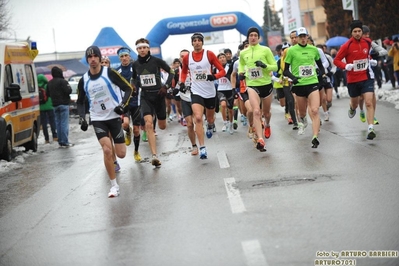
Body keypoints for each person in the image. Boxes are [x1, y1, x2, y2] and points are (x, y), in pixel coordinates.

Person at [77, 45, 133, 198]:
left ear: (100, 58)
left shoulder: (109, 73)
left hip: (114, 116)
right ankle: (114, 186)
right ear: (87, 60)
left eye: (95, 56)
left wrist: (122, 106)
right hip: (97, 119)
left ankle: (127, 132)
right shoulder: (84, 80)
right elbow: (80, 101)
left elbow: (128, 88)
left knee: (121, 154)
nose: (93, 59)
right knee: (107, 150)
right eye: (90, 57)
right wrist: (82, 117)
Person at [179, 32, 226, 159]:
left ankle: (210, 125)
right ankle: (202, 147)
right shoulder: (187, 58)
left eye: (199, 40)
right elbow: (183, 72)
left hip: (210, 92)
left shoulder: (209, 54)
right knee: (198, 118)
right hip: (196, 91)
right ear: (192, 43)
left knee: (210, 119)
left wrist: (214, 76)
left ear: (202, 42)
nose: (197, 42)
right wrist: (182, 83)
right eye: (194, 40)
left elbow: (223, 70)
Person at [131, 38, 175, 166]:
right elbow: (133, 78)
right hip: (145, 97)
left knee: (162, 126)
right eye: (139, 48)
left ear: (148, 48)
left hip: (159, 95)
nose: (142, 50)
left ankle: (159, 117)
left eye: (144, 47)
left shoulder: (157, 61)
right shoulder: (135, 64)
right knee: (148, 124)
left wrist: (165, 86)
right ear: (137, 50)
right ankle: (154, 156)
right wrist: (133, 85)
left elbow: (171, 72)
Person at [333, 20, 377, 140]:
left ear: (362, 32)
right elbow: (336, 60)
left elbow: (368, 54)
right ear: (351, 33)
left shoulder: (367, 42)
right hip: (352, 79)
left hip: (366, 77)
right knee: (355, 103)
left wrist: (371, 60)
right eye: (355, 31)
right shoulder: (346, 46)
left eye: (359, 31)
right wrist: (345, 66)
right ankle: (352, 108)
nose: (357, 33)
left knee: (368, 102)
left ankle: (371, 128)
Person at [283, 27, 326, 148]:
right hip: (299, 85)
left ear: (307, 37)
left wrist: (321, 75)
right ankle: (302, 119)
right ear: (296, 38)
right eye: (300, 37)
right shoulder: (291, 51)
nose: (302, 39)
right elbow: (285, 70)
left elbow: (320, 66)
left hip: (312, 83)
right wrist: (293, 77)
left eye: (304, 36)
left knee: (315, 110)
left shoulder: (314, 50)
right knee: (302, 112)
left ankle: (315, 137)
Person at [238, 27, 277, 152]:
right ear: (248, 38)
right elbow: (241, 65)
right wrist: (241, 73)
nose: (253, 37)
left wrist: (265, 66)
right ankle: (260, 139)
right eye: (251, 35)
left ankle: (268, 124)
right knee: (256, 112)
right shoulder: (243, 53)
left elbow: (275, 67)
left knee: (266, 113)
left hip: (266, 84)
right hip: (252, 85)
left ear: (258, 37)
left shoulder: (265, 50)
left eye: (255, 35)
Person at [115, 47, 143, 162]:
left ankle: (136, 151)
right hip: (124, 103)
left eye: (126, 56)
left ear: (129, 56)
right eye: (122, 56)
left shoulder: (136, 68)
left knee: (137, 130)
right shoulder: (117, 71)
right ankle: (127, 132)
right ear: (119, 58)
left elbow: (142, 81)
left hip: (136, 102)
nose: (124, 58)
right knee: (125, 124)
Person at [359, 25, 387, 125]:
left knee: (371, 96)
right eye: (365, 35)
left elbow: (384, 51)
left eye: (368, 34)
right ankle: (361, 111)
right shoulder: (354, 44)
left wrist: (375, 55)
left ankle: (372, 115)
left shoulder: (370, 43)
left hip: (368, 73)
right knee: (361, 97)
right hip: (357, 74)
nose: (367, 36)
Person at [177, 49, 199, 155]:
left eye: (186, 56)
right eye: (182, 56)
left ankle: (202, 144)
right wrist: (177, 88)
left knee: (197, 121)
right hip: (184, 98)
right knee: (189, 124)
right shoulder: (177, 70)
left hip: (196, 96)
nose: (183, 58)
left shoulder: (195, 67)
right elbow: (172, 82)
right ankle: (194, 146)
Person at [272, 42, 298, 130]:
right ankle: (289, 114)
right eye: (283, 50)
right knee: (286, 102)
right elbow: (274, 73)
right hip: (285, 82)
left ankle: (295, 120)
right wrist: (276, 79)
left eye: (287, 49)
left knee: (293, 101)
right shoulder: (279, 61)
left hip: (296, 82)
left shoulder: (296, 57)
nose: (285, 51)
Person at [47, 66, 73, 148]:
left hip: (55, 105)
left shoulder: (50, 83)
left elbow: (47, 94)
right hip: (64, 104)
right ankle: (65, 141)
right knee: (64, 123)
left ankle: (60, 141)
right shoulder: (63, 81)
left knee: (58, 123)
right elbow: (69, 91)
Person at [38, 74, 58, 144]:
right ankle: (55, 136)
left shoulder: (36, 87)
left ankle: (46, 139)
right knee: (52, 121)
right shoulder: (47, 85)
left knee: (44, 123)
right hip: (49, 106)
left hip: (41, 107)